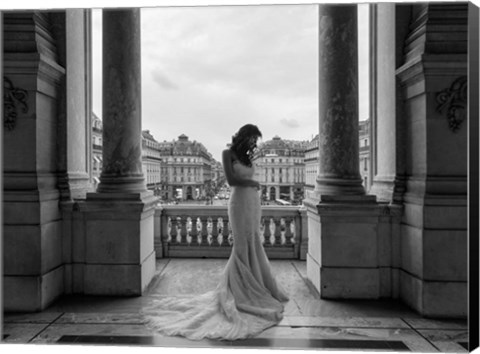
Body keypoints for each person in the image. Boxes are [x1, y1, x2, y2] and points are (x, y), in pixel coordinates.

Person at [142, 124, 288, 341]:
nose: (253, 144)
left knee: (254, 240)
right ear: (244, 136)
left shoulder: (247, 156)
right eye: (252, 140)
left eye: (255, 142)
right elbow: (230, 180)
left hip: (252, 202)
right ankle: (238, 288)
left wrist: (253, 186)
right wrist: (253, 182)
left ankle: (257, 283)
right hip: (239, 200)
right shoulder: (228, 153)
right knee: (241, 244)